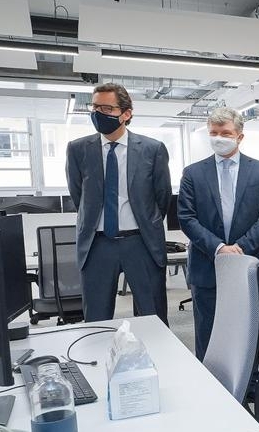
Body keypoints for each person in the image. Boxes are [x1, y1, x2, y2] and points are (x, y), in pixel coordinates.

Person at [177, 107, 259, 404]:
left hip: (248, 264)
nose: (219, 138)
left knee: (247, 329)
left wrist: (240, 248)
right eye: (214, 133)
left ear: (240, 136)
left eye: (226, 133)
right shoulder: (193, 173)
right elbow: (187, 217)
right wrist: (220, 248)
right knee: (207, 328)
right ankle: (210, 388)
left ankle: (250, 385)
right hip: (207, 262)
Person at [65, 83, 171, 324]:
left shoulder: (152, 149)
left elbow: (162, 196)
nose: (98, 113)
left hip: (141, 242)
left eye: (106, 108)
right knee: (97, 320)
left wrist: (148, 223)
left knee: (152, 317)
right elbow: (78, 195)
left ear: (126, 113)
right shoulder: (78, 149)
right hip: (97, 244)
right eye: (95, 107)